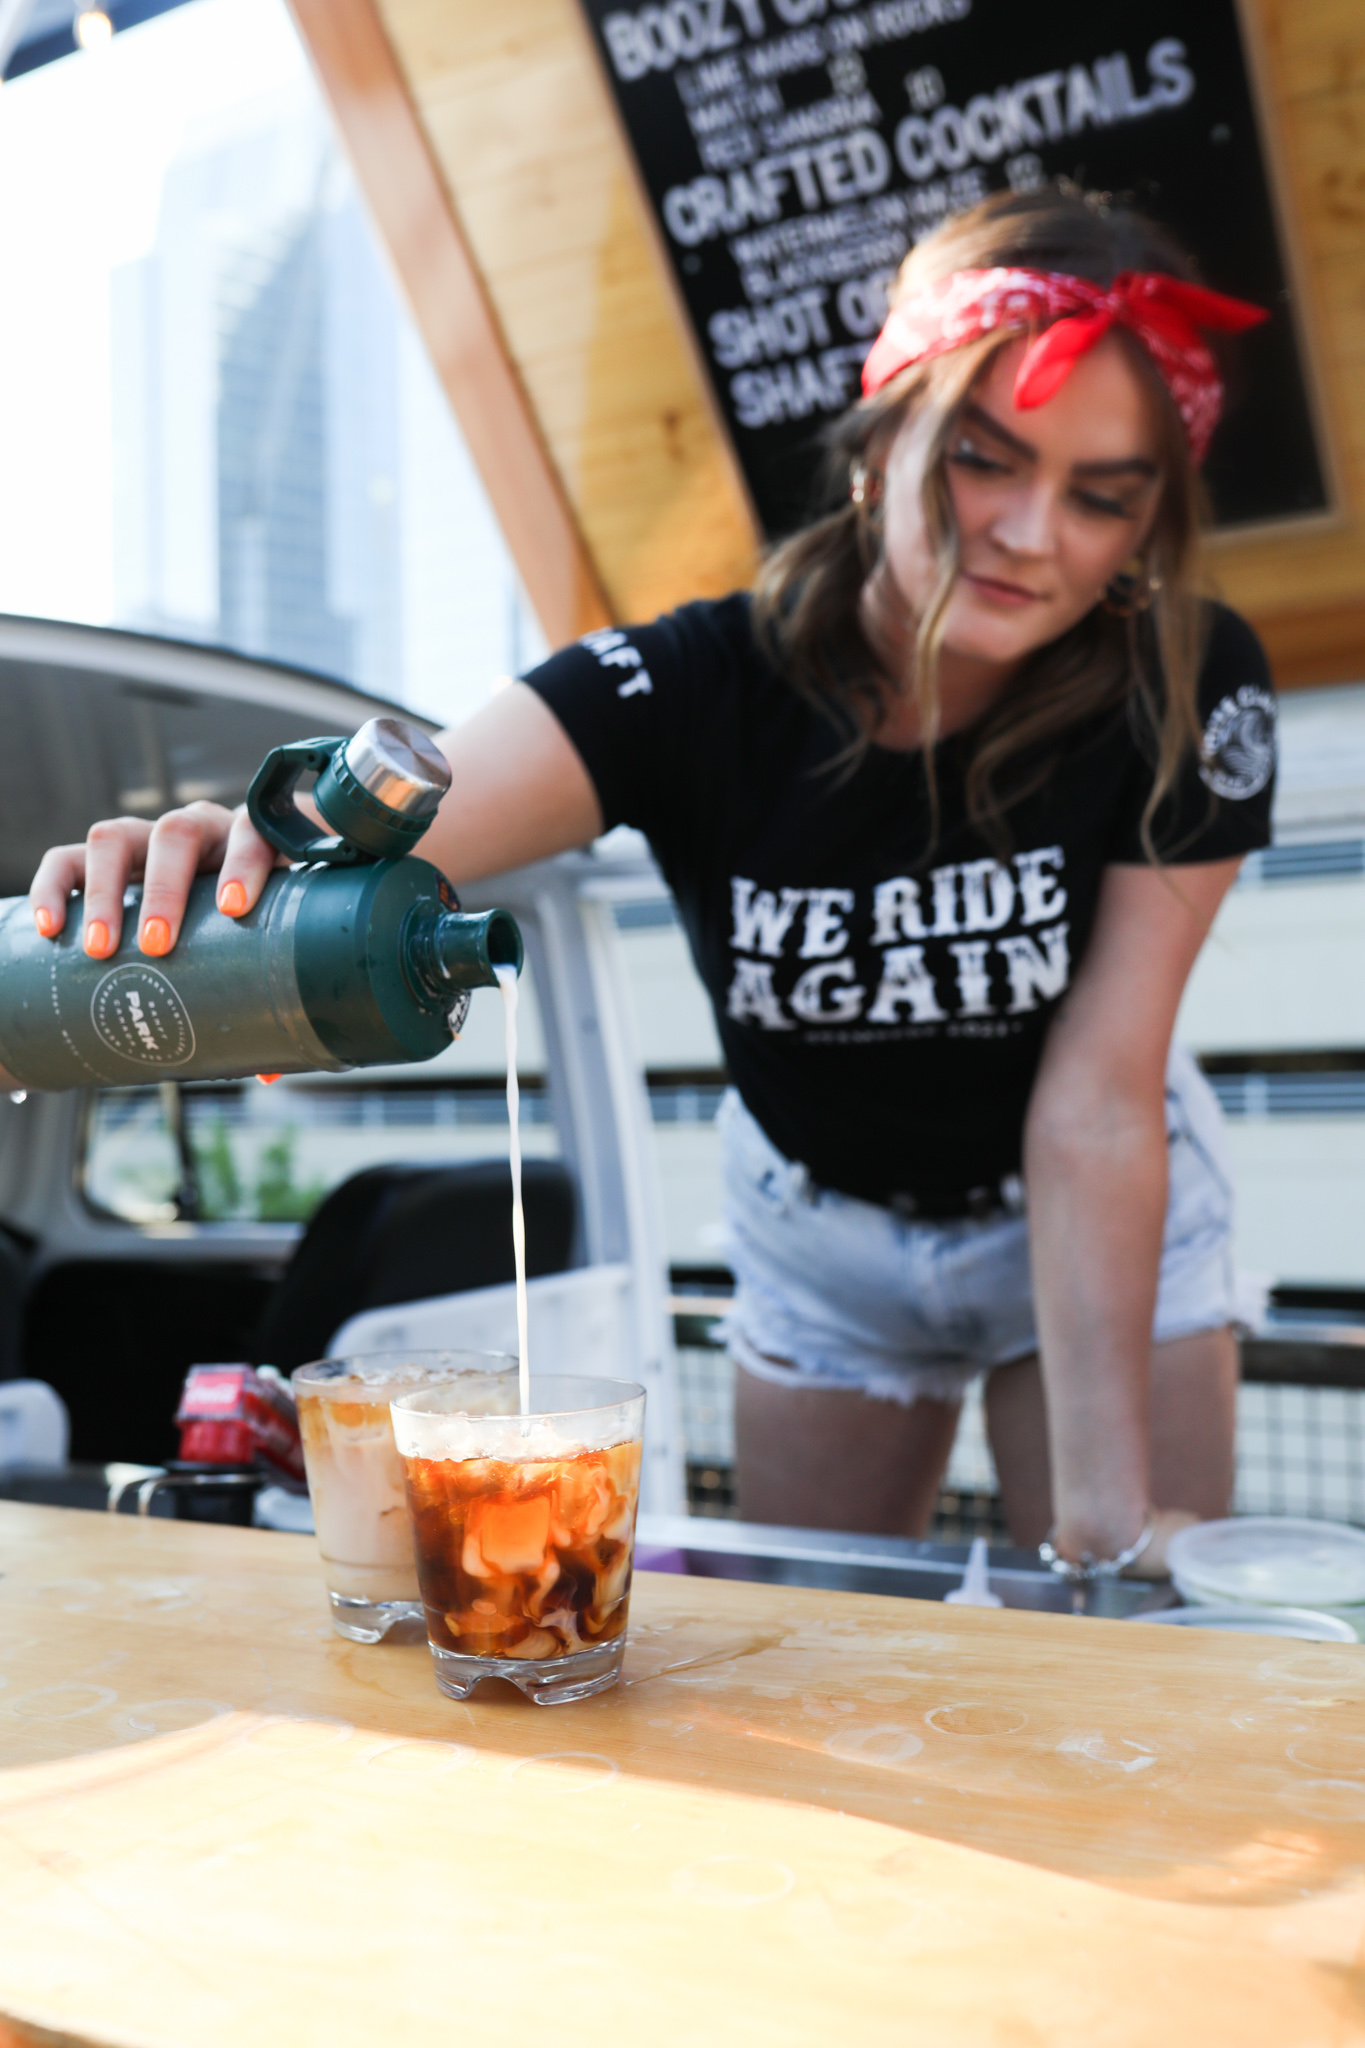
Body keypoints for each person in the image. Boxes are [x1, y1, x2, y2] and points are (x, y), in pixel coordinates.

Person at [30, 186, 1277, 1580]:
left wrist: (1103, 1516)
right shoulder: (690, 682)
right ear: (879, 440)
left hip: (1100, 1198)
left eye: (1101, 498)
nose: (1035, 533)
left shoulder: (1185, 682)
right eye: (985, 460)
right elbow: (376, 829)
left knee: (1127, 1643)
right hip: (825, 1237)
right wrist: (227, 852)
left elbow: (1103, 1093)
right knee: (817, 1650)